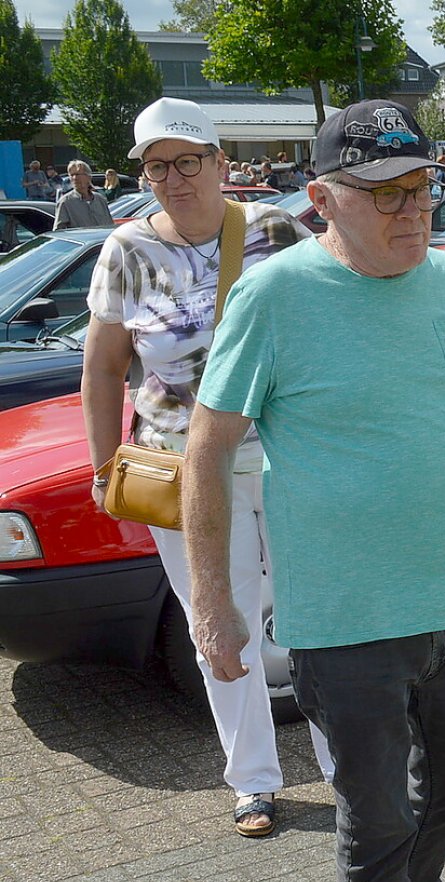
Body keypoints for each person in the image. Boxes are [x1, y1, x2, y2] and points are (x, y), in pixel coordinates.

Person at [185, 98, 445, 882]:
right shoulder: (276, 298)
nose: (412, 210)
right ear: (322, 198)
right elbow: (206, 453)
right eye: (384, 194)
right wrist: (216, 603)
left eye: (422, 188)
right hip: (345, 619)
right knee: (373, 817)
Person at [81, 97, 334, 842]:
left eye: (188, 160)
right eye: (157, 166)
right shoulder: (124, 251)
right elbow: (102, 371)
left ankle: (346, 768)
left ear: (222, 163)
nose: (174, 177)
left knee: (317, 620)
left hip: (290, 463)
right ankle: (253, 782)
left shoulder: (276, 232)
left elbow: (327, 334)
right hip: (187, 473)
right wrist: (104, 469)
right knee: (217, 628)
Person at [55, 160, 114, 228]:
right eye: (72, 175)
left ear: (88, 177)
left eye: (77, 174)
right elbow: (59, 231)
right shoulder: (65, 202)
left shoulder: (100, 200)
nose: (74, 178)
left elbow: (110, 225)